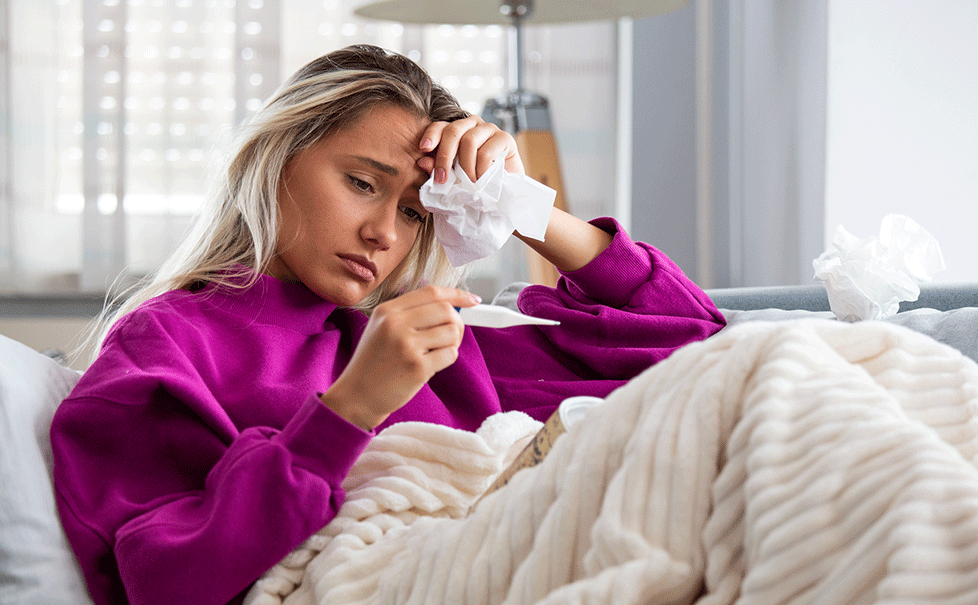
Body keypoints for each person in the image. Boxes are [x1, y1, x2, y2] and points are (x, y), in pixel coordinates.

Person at [50, 44, 726, 605]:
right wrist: (350, 408)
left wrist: (522, 206)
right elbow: (163, 580)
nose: (382, 234)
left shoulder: (431, 337)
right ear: (278, 157)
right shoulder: (168, 345)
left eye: (412, 212)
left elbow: (696, 345)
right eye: (362, 183)